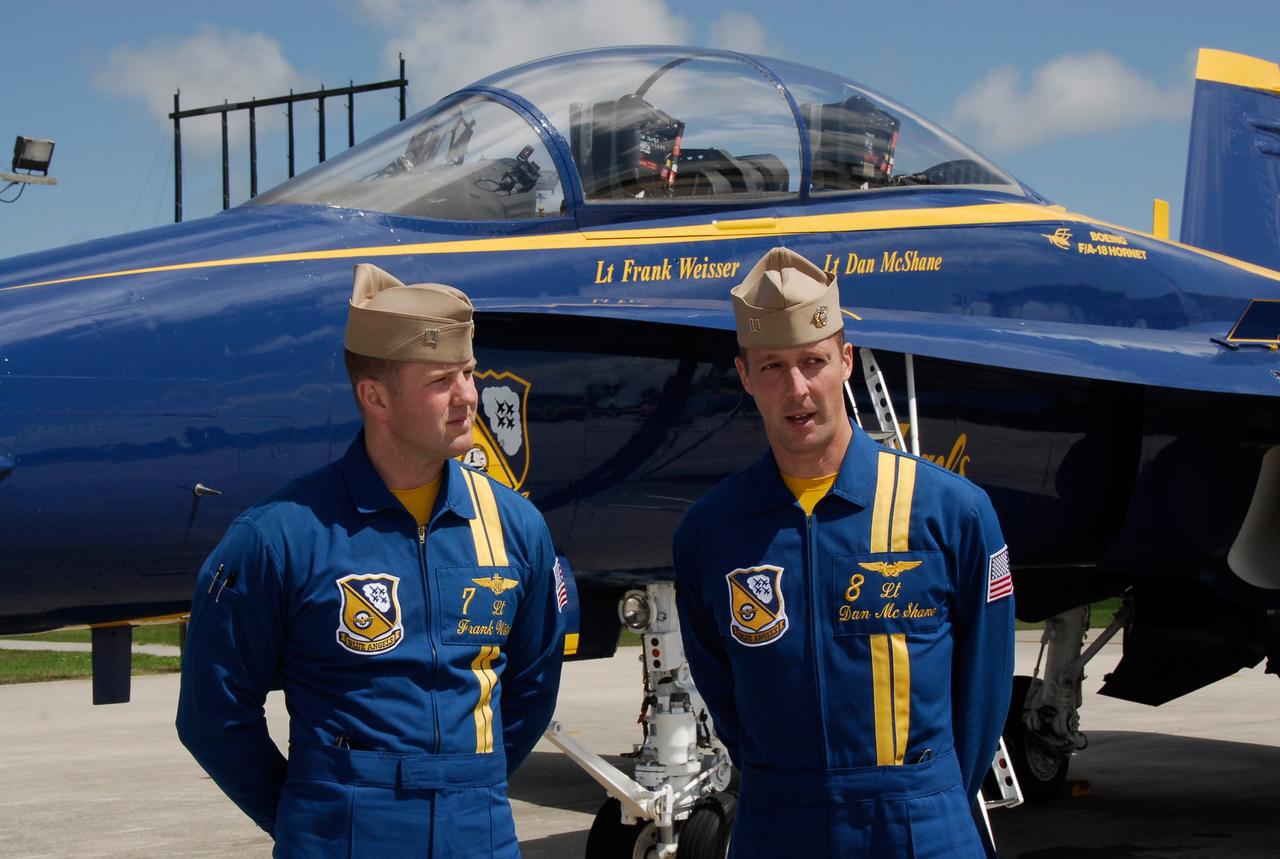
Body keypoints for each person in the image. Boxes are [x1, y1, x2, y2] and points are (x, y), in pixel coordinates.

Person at [177, 263, 564, 858]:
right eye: (442, 380)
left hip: (479, 833)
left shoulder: (515, 526)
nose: (468, 397)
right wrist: (315, 815)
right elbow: (214, 717)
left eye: (468, 373)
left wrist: (464, 786)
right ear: (375, 396)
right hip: (343, 835)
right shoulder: (279, 537)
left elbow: (532, 690)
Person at [672, 247, 1015, 858]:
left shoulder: (950, 513)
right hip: (778, 825)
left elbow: (983, 694)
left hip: (922, 823)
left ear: (847, 362)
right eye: (773, 367)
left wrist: (923, 798)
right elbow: (723, 691)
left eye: (814, 361)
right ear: (745, 376)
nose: (797, 389)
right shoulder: (711, 532)